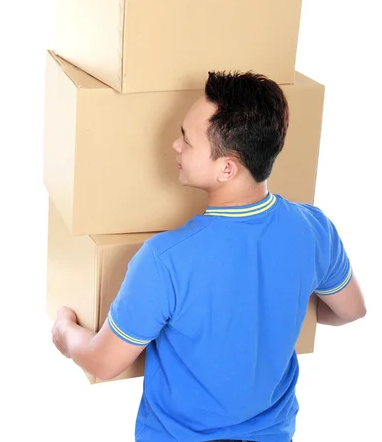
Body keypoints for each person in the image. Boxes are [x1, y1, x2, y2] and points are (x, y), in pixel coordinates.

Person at [52, 70, 366, 442]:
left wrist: (66, 334)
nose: (175, 145)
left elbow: (103, 362)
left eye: (187, 139)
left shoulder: (165, 259)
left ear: (227, 167)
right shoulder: (314, 229)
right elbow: (351, 310)